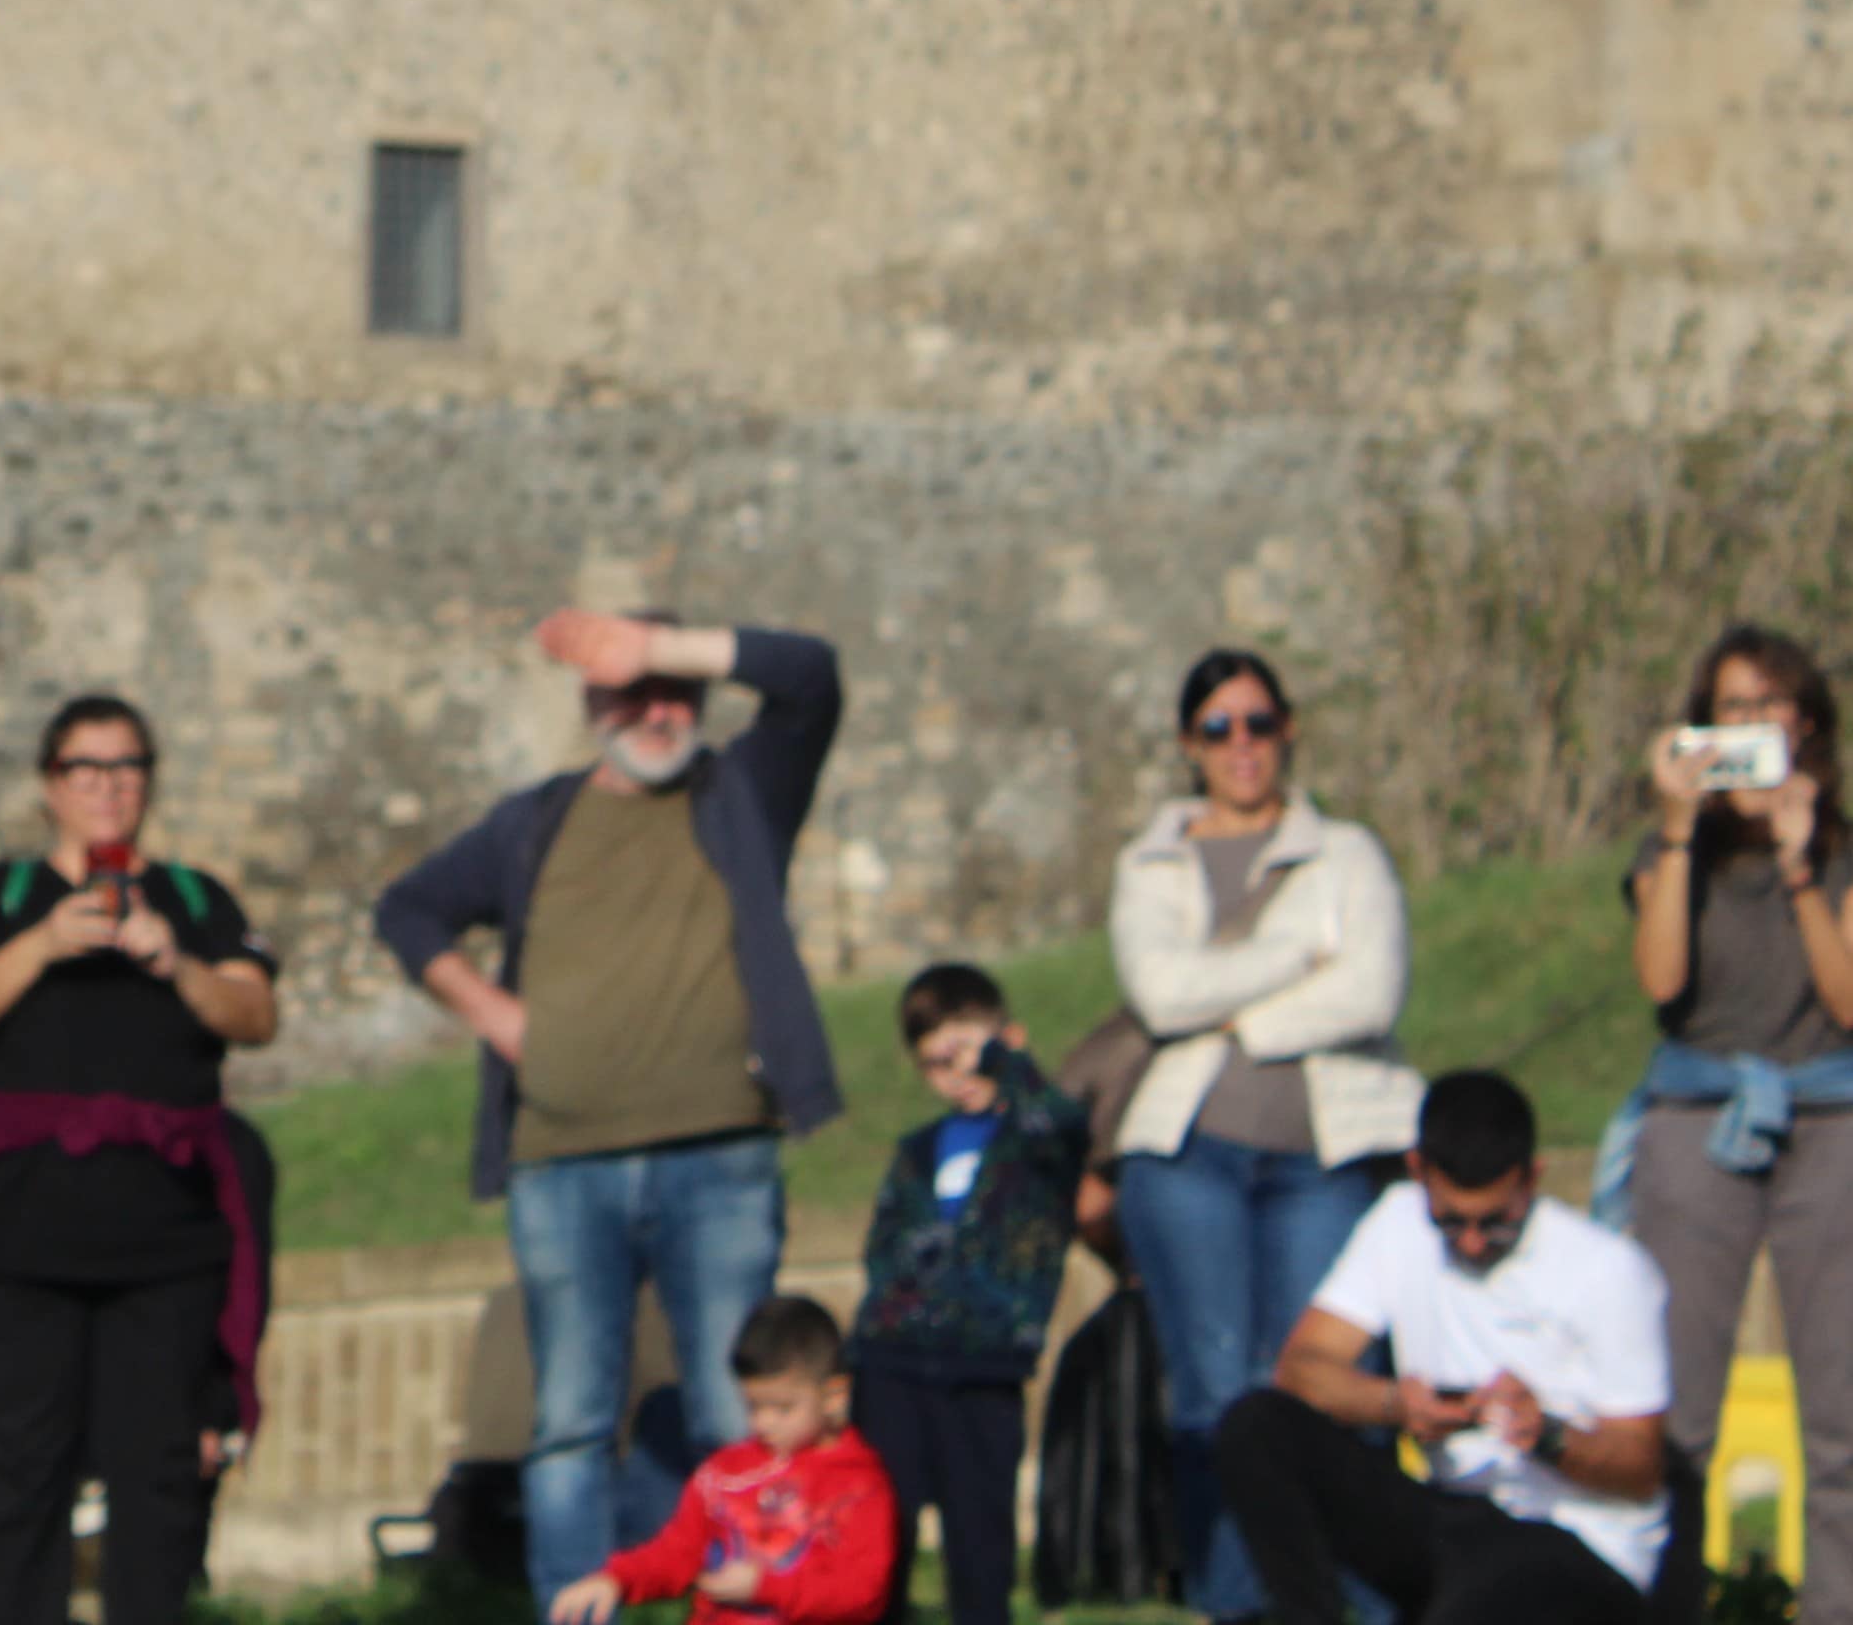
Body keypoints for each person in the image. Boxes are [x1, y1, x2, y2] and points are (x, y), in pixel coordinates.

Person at [372, 606, 845, 1621]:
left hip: (720, 1160)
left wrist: (657, 648)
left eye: (675, 692)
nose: (657, 712)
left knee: (737, 1414)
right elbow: (406, 910)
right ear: (592, 704)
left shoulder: (742, 796)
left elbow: (811, 677)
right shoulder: (532, 826)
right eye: (631, 693)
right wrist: (492, 1013)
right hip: (563, 1163)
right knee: (570, 1423)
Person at [0, 694, 280, 1625]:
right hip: (23, 1239)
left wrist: (176, 963)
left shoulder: (196, 899)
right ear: (50, 785)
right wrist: (42, 944)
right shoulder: (1, 896)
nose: (108, 788)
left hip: (167, 1242)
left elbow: (256, 1015)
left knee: (160, 1486)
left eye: (127, 767)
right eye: (86, 769)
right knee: (21, 1485)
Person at [1596, 629, 1853, 1625]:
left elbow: (1852, 995)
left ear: (1808, 723)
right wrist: (1675, 829)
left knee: (1843, 1418)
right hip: (1695, 1121)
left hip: (1838, 1124)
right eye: (1730, 711)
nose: (1749, 729)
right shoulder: (1671, 854)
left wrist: (1798, 865)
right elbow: (1661, 980)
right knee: (1678, 1413)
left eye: (1769, 707)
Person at [1105, 649, 1422, 1625]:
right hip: (1188, 1158)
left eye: (1259, 723)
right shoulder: (1150, 863)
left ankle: (1357, 1602)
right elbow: (1161, 996)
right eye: (1218, 728)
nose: (1241, 745)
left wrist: (1239, 1019)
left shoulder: (1349, 854)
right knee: (1216, 1397)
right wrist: (1295, 954)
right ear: (1188, 744)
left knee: (1331, 1388)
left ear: (1288, 731)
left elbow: (1371, 993)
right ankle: (1242, 1607)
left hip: (1322, 1159)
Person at [1214, 1071, 1672, 1625]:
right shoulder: (1398, 1220)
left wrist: (1547, 1435)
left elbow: (1641, 1467)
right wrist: (1397, 1404)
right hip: (1451, 1516)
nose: (1473, 1243)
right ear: (1418, 1172)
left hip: (1575, 1542)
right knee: (1256, 1425)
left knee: (1501, 1581)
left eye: (1497, 1223)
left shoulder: (1609, 1268)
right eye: (1451, 1221)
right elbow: (1303, 1367)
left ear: (1532, 1178)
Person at [846, 964, 1089, 1625]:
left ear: (1009, 1041)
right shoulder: (917, 1150)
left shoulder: (1035, 1142)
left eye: (968, 1053)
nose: (957, 1073)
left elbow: (1062, 1124)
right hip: (893, 1362)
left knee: (980, 1538)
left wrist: (1007, 1064)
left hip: (985, 1365)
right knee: (881, 1531)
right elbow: (883, 1244)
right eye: (936, 1062)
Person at [546, 1294, 895, 1625]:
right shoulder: (725, 1472)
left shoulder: (858, 1486)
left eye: (782, 1408)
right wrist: (616, 1579)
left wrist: (765, 1587)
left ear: (834, 1396)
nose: (763, 1423)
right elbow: (677, 1552)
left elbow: (863, 1593)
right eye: (753, 1406)